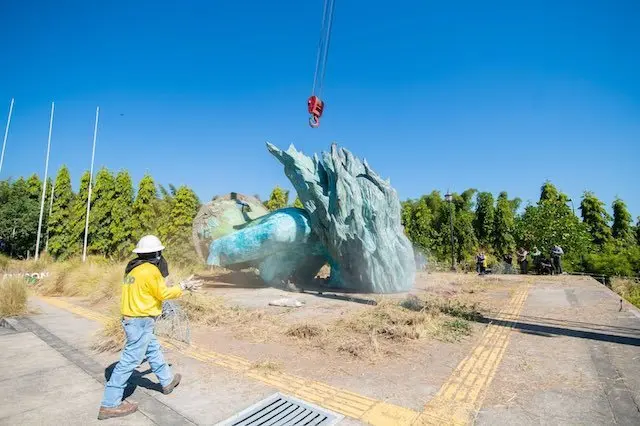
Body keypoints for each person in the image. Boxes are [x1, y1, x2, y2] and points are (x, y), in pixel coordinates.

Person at [97, 235, 203, 420]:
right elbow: (162, 293)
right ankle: (109, 404)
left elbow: (147, 292)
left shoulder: (133, 269)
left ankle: (167, 381)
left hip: (134, 319)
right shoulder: (150, 271)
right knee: (129, 361)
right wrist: (183, 286)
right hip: (141, 320)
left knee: (153, 349)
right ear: (156, 253)